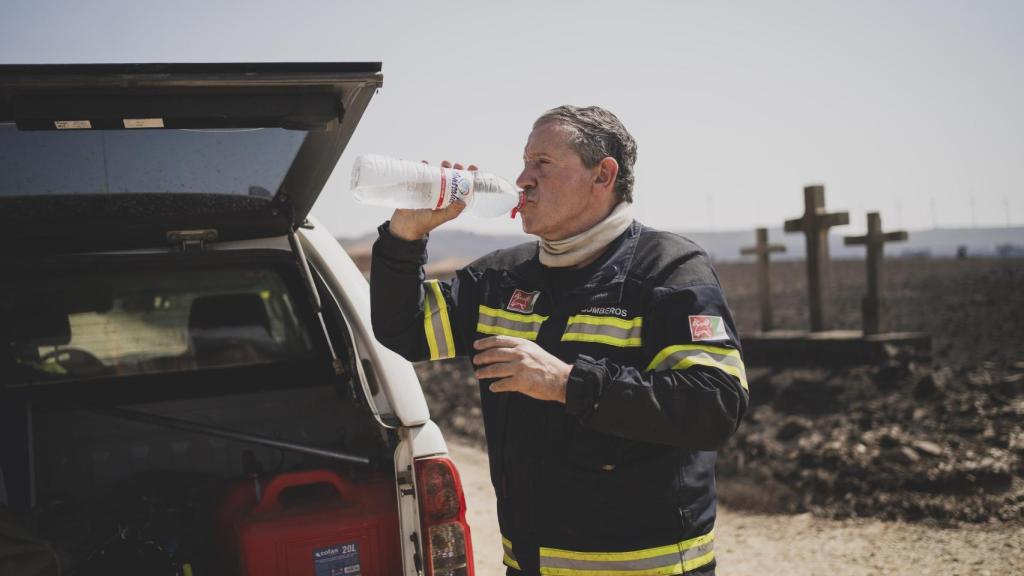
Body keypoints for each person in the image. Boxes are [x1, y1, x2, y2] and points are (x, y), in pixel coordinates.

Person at [370, 105, 748, 575]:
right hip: (530, 565)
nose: (523, 179)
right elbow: (403, 329)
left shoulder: (668, 269)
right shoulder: (501, 277)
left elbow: (714, 405)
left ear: (602, 174)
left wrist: (566, 382)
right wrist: (406, 236)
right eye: (525, 163)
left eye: (543, 164)